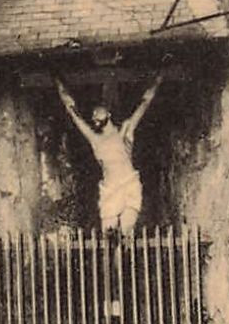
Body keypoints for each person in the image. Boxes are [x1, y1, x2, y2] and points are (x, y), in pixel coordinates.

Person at [55, 75, 162, 232]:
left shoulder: (125, 131)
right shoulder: (95, 139)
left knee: (127, 230)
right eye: (93, 115)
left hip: (129, 183)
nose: (94, 115)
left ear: (108, 113)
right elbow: (72, 111)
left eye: (98, 111)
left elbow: (144, 103)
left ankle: (127, 253)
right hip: (110, 188)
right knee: (109, 234)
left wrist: (158, 79)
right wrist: (58, 83)